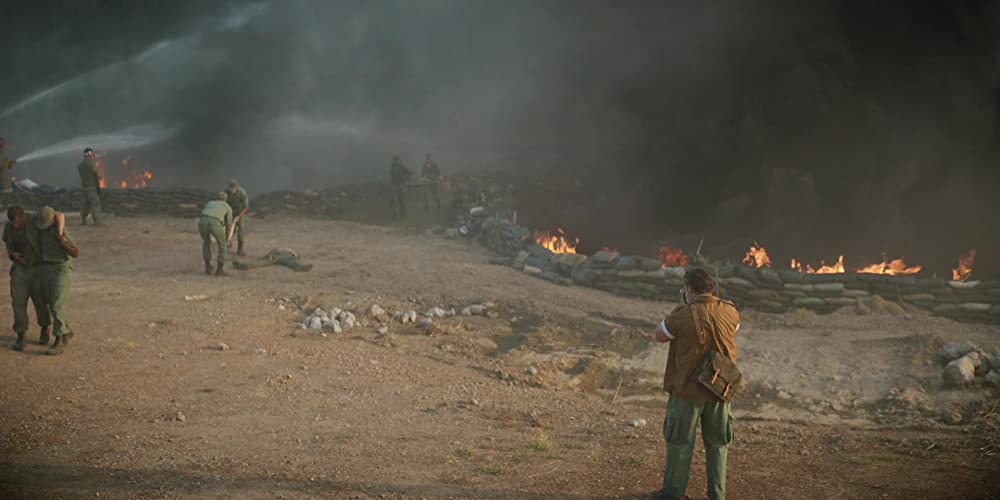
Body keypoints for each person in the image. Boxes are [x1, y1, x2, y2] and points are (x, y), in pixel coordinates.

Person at [652, 268, 740, 500]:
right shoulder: (729, 311)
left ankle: (673, 493)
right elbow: (734, 328)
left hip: (687, 392)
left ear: (689, 289)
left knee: (680, 444)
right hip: (720, 390)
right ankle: (717, 495)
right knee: (718, 446)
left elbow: (660, 335)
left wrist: (684, 305)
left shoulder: (682, 314)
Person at [3, 205, 55, 350]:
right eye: (13, 222)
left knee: (40, 302)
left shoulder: (35, 221)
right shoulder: (9, 227)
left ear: (24, 216)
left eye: (17, 222)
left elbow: (51, 221)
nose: (15, 225)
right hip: (20, 269)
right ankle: (21, 334)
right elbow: (8, 243)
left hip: (37, 268)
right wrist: (12, 254)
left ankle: (45, 329)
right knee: (18, 302)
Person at [36, 206, 77, 355]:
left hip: (61, 269)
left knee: (57, 305)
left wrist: (62, 241)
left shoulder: (61, 231)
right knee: (50, 303)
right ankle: (65, 331)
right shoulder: (41, 225)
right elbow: (59, 213)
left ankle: (58, 341)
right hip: (46, 269)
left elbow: (75, 252)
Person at [199, 192, 233, 276]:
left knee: (206, 242)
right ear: (226, 199)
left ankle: (207, 267)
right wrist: (227, 239)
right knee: (223, 245)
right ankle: (220, 269)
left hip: (202, 222)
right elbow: (229, 225)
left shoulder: (210, 203)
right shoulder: (227, 207)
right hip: (214, 222)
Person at [77, 147, 103, 226]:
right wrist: (99, 177)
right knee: (95, 203)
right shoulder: (91, 163)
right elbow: (96, 173)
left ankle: (83, 220)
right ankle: (96, 221)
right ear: (90, 154)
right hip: (91, 187)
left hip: (84, 187)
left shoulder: (80, 165)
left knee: (85, 205)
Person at [233, 247, 313, 272]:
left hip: (280, 259)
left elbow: (293, 262)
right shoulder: (291, 254)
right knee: (261, 262)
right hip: (275, 257)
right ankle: (243, 265)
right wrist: (269, 255)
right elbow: (281, 248)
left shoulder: (292, 258)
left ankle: (301, 268)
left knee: (293, 264)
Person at [225, 179, 249, 256]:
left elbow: (246, 207)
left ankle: (240, 249)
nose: (232, 191)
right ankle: (227, 244)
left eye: (233, 189)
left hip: (240, 213)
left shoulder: (242, 193)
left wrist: (239, 216)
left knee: (241, 229)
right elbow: (223, 202)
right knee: (228, 227)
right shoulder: (226, 191)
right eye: (231, 189)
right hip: (230, 212)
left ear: (237, 187)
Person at [0, 138, 21, 210]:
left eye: (3, 144)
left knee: (7, 195)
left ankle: (5, 207)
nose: (3, 146)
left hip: (7, 179)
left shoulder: (4, 154)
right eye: (1, 144)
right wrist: (9, 162)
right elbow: (2, 165)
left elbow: (8, 167)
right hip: (2, 179)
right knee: (3, 194)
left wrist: (10, 163)